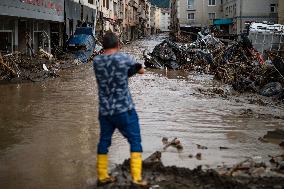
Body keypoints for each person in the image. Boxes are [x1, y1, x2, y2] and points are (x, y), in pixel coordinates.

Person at [93, 32, 147, 186]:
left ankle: (102, 176)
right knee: (135, 140)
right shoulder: (125, 59)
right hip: (124, 109)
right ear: (118, 45)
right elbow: (140, 70)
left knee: (104, 142)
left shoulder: (97, 61)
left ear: (103, 46)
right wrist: (133, 70)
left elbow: (112, 74)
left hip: (105, 112)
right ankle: (136, 179)